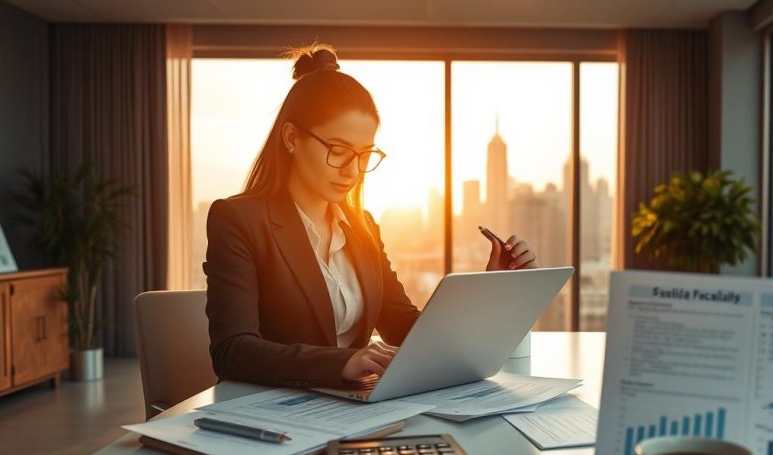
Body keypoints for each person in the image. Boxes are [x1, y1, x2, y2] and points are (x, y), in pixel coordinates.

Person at [204, 44, 538, 390]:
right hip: (274, 408)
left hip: (358, 406)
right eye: (338, 151)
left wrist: (491, 289)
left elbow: (404, 326)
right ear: (291, 138)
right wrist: (342, 362)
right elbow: (232, 350)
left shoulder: (361, 226)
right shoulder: (238, 220)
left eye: (364, 155)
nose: (353, 170)